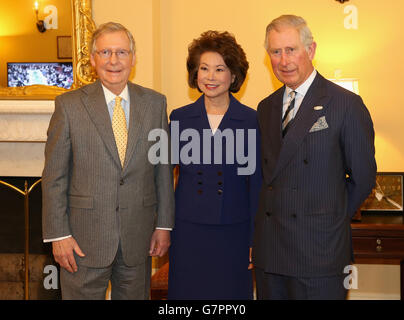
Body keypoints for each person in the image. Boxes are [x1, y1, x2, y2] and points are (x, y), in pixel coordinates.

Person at [42, 22, 175, 300]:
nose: (113, 61)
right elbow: (55, 177)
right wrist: (58, 235)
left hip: (137, 240)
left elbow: (162, 169)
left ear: (133, 58)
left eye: (121, 52)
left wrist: (163, 225)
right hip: (81, 243)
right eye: (105, 52)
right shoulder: (68, 106)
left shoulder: (155, 104)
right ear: (92, 59)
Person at [253, 15, 377, 300]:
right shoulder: (266, 107)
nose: (283, 60)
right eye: (275, 51)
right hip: (271, 254)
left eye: (291, 49)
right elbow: (264, 177)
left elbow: (363, 177)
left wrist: (327, 218)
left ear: (310, 50)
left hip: (319, 252)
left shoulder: (345, 104)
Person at [167, 30, 262, 299]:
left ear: (233, 75)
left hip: (234, 232)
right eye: (204, 68)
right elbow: (163, 178)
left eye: (219, 69)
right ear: (195, 75)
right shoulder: (179, 119)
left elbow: (256, 185)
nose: (210, 77)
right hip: (188, 231)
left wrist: (255, 239)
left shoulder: (252, 120)